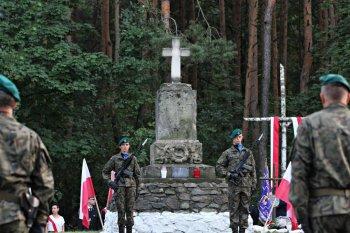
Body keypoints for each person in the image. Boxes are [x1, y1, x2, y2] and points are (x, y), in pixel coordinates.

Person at [289, 74, 350, 233]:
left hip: (322, 212)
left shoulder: (310, 124)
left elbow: (299, 173)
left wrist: (303, 215)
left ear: (322, 97)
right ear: (348, 97)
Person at [0, 74, 54, 233]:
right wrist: (38, 223)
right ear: (14, 104)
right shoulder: (30, 137)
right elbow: (44, 187)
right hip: (13, 220)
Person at [216, 129, 257, 233]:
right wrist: (229, 174)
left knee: (245, 208)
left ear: (242, 137)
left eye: (240, 137)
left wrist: (254, 183)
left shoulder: (248, 152)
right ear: (233, 139)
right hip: (234, 185)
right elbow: (219, 166)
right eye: (236, 137)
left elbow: (253, 169)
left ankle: (242, 230)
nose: (238, 139)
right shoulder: (228, 153)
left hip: (246, 185)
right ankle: (234, 230)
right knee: (234, 209)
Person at [102, 136, 141, 233]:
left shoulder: (133, 158)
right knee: (121, 211)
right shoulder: (115, 158)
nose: (125, 147)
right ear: (120, 147)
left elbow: (138, 175)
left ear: (129, 146)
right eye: (123, 145)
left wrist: (138, 189)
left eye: (127, 145)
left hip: (131, 187)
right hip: (119, 187)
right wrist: (110, 182)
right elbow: (105, 171)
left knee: (130, 210)